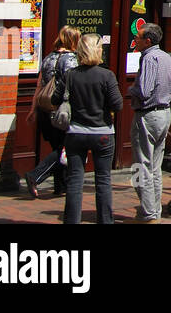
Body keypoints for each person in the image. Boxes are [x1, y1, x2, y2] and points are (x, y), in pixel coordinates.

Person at [53, 33, 123, 224]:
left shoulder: (71, 75)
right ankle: (105, 221)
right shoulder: (107, 75)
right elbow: (117, 104)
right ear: (97, 50)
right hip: (102, 134)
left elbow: (54, 100)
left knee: (75, 181)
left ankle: (71, 221)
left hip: (76, 132)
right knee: (103, 181)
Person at [23, 25, 80, 199]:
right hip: (61, 110)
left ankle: (60, 187)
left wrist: (33, 109)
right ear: (73, 40)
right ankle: (35, 176)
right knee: (66, 148)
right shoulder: (71, 59)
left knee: (58, 146)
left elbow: (40, 84)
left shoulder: (48, 57)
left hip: (44, 110)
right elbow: (73, 86)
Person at [128, 23, 171, 223]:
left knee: (142, 166)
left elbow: (144, 90)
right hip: (164, 113)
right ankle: (154, 210)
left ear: (148, 40)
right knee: (155, 166)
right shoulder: (166, 57)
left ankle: (148, 214)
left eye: (138, 37)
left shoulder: (148, 59)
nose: (135, 40)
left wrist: (131, 91)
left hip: (148, 114)